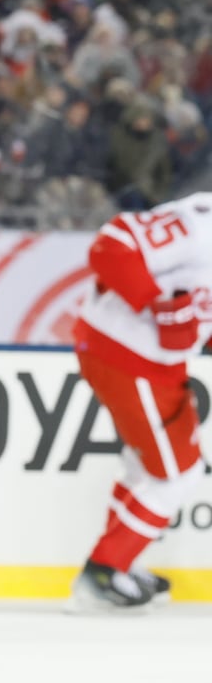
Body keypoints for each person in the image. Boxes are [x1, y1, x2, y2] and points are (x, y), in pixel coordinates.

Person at [68, 194, 212, 610]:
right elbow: (112, 246)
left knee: (144, 465)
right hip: (131, 359)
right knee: (178, 474)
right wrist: (158, 306)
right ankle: (103, 572)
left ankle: (119, 567)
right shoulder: (202, 226)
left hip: (149, 363)